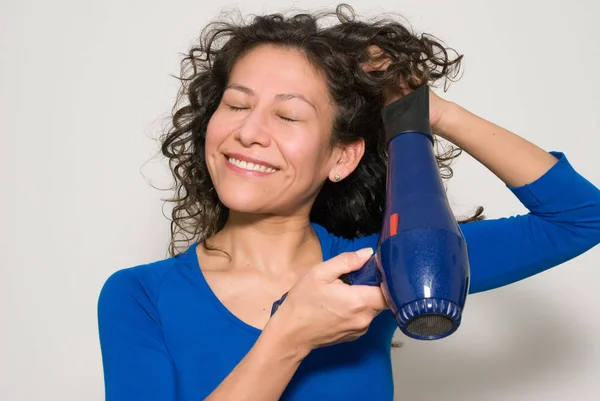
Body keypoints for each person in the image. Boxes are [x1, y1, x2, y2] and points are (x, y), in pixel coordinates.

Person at [97, 4, 600, 401]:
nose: (249, 132)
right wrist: (289, 335)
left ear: (341, 157)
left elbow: (580, 217)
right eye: (237, 105)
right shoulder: (139, 296)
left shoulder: (383, 265)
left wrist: (428, 112)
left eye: (288, 116)